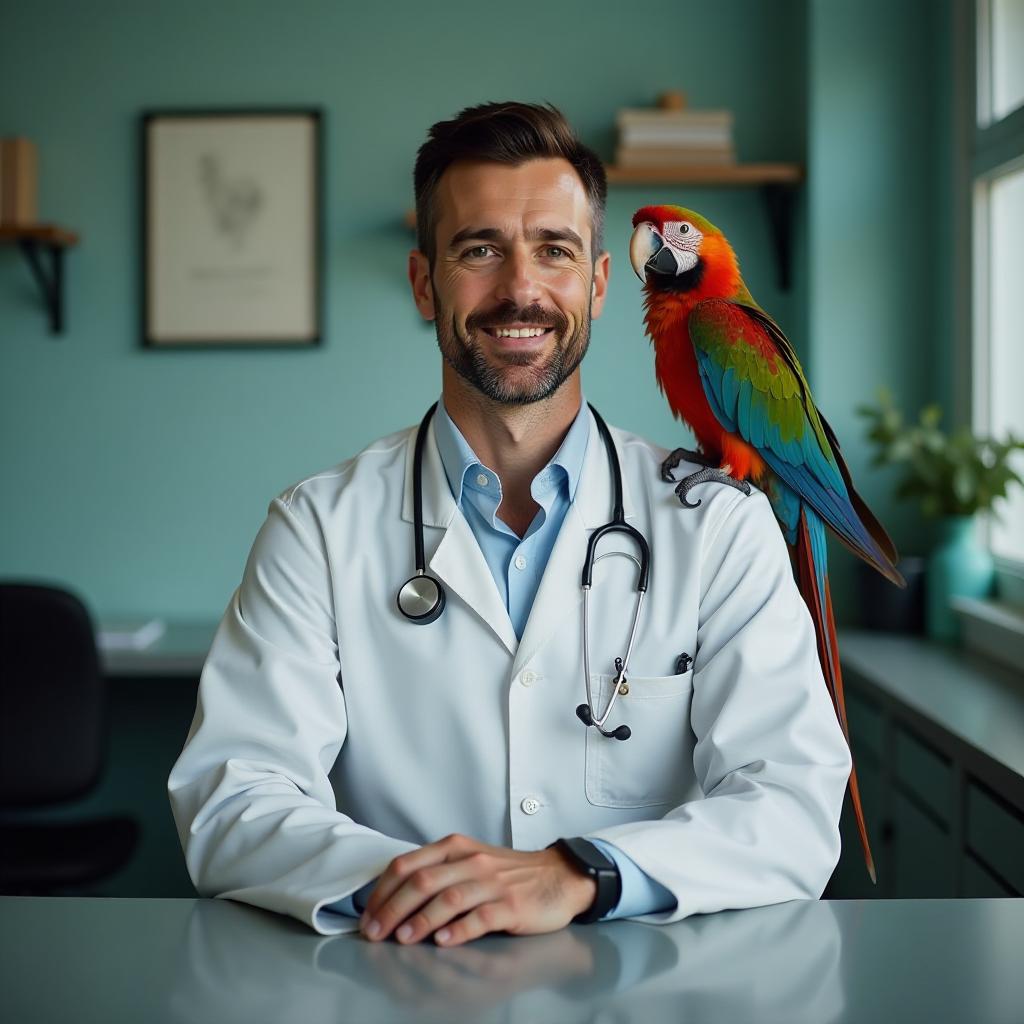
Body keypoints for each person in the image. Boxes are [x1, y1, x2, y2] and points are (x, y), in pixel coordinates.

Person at [168, 100, 852, 947]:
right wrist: (437, 893)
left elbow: (793, 806)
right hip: (394, 984)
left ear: (599, 283)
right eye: (480, 249)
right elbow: (232, 797)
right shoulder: (316, 527)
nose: (520, 289)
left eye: (554, 251)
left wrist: (579, 874)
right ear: (426, 283)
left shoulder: (718, 530)